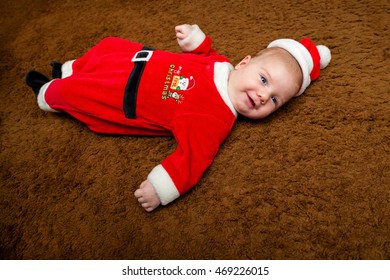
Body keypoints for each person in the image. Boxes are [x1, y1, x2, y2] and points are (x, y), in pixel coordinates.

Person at [25, 24, 331, 212]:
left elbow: (193, 158)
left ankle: (48, 93)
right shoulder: (222, 65)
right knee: (108, 48)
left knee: (82, 94)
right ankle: (68, 69)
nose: (264, 96)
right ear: (243, 63)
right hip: (138, 58)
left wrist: (161, 188)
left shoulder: (216, 118)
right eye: (264, 80)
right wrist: (195, 39)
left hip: (126, 95)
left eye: (275, 100)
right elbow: (205, 54)